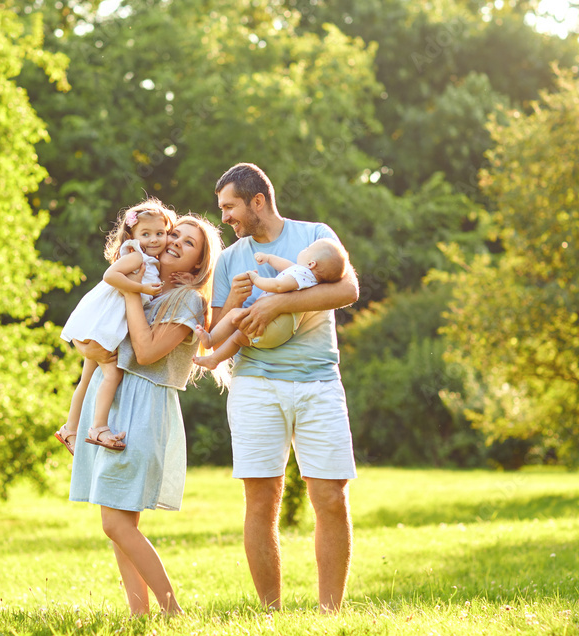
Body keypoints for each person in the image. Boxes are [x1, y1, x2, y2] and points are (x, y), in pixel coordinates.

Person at [211, 163, 359, 613]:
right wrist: (236, 304)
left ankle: (330, 612)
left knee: (330, 497)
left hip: (318, 382)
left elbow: (348, 289)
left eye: (230, 207)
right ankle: (271, 613)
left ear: (258, 201)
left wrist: (278, 301)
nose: (225, 218)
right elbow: (214, 332)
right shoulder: (232, 258)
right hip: (255, 384)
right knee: (261, 499)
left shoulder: (315, 234)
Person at [68, 215, 224, 616]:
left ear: (196, 265)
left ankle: (172, 611)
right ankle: (140, 615)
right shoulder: (150, 287)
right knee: (119, 524)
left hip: (144, 407)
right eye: (174, 234)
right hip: (118, 400)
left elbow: (146, 352)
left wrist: (133, 290)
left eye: (187, 243)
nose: (173, 242)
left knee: (116, 524)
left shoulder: (188, 300)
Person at [55, 200, 176, 454]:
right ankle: (98, 427)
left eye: (160, 233)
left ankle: (69, 428)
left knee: (86, 380)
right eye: (146, 234)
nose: (154, 239)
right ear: (131, 235)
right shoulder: (135, 256)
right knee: (112, 374)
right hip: (103, 326)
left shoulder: (149, 260)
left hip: (101, 327)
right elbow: (110, 276)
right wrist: (141, 288)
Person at [193, 238, 348, 370]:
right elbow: (286, 266)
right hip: (280, 333)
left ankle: (210, 339)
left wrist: (256, 280)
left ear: (312, 263)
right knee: (238, 338)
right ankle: (214, 360)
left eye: (308, 249)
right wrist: (268, 258)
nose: (304, 249)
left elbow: (278, 285)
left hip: (274, 326)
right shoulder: (306, 277)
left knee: (234, 315)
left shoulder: (302, 274)